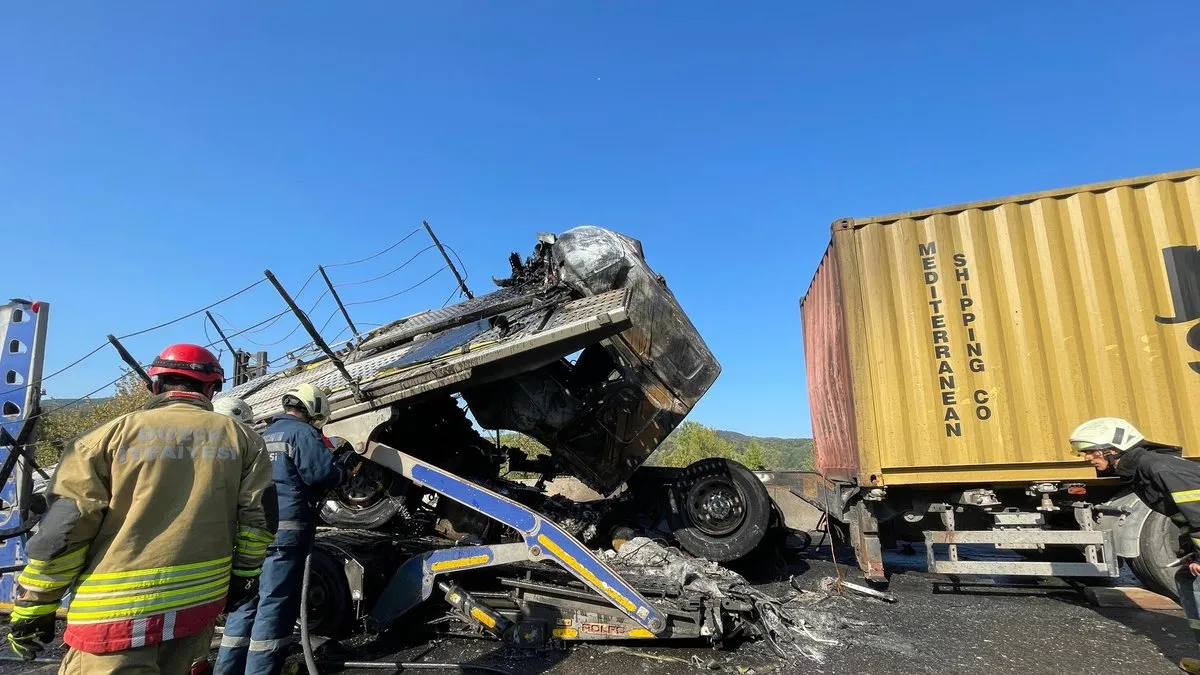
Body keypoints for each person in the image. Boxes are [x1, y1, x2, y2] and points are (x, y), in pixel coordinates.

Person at [7, 344, 277, 675]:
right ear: (211, 389)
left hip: (115, 616)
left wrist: (35, 605)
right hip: (197, 609)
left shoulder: (103, 438)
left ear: (155, 384)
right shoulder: (244, 440)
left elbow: (64, 531)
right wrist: (245, 576)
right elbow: (259, 519)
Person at [215, 383, 345, 675]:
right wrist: (342, 470)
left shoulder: (262, 435)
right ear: (312, 409)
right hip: (285, 535)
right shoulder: (302, 433)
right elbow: (322, 474)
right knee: (275, 604)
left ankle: (227, 670)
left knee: (246, 603)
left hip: (253, 535)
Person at [1070, 417, 1200, 674]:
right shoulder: (1142, 471)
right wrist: (1190, 551)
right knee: (1186, 580)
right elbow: (1186, 518)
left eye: (1091, 452)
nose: (1087, 458)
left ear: (1112, 450)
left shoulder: (1160, 469)